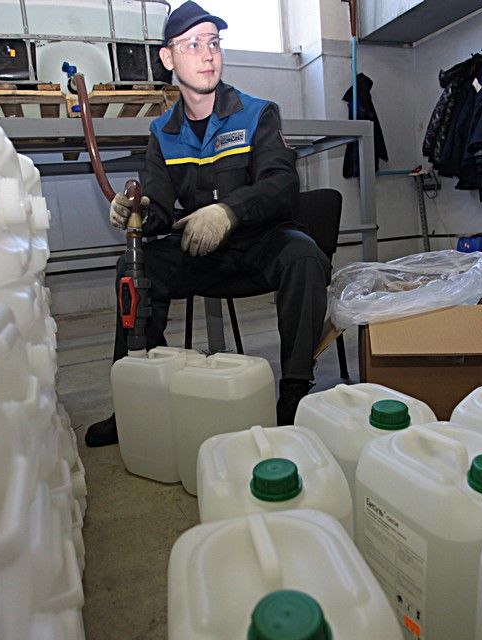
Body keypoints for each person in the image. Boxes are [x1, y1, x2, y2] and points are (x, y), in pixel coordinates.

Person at [84, 1, 331, 447]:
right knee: (133, 268)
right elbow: (158, 207)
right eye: (193, 44)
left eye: (214, 43)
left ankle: (294, 394)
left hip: (258, 248)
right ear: (168, 58)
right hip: (199, 253)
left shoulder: (257, 113)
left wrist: (228, 211)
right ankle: (137, 401)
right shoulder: (163, 132)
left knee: (304, 256)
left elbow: (281, 184)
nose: (208, 54)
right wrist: (133, 210)